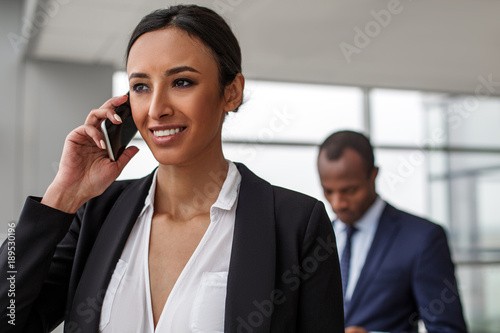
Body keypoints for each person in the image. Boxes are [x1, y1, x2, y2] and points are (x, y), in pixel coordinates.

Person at [0, 5, 344, 333]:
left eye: (181, 82)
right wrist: (63, 194)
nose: (156, 108)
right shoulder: (97, 214)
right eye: (141, 87)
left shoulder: (296, 225)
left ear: (232, 92)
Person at [317, 130, 467, 333]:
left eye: (349, 190)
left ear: (373, 175)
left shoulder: (422, 238)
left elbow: (449, 330)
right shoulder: (317, 239)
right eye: (328, 191)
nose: (338, 203)